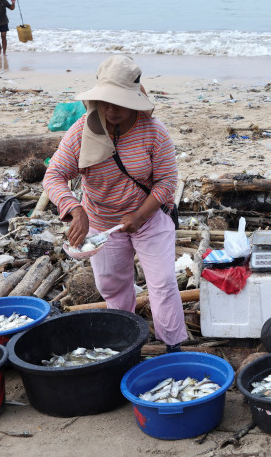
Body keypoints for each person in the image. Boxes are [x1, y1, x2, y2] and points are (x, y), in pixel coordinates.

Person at [43, 55, 187, 352]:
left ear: (135, 99)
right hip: (102, 221)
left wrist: (139, 214)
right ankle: (127, 340)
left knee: (162, 284)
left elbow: (166, 183)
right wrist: (75, 208)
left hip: (149, 219)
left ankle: (172, 345)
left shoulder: (153, 132)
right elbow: (54, 176)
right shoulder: (82, 131)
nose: (111, 109)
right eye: (105, 101)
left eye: (119, 102)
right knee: (111, 286)